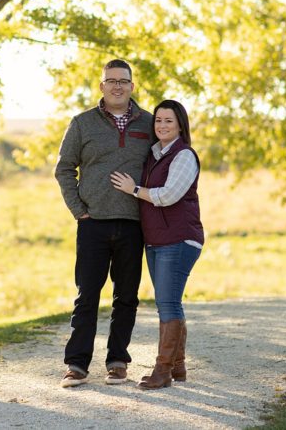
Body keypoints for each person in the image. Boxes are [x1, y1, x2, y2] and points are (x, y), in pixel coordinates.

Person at [55, 59, 154, 387]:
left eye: (123, 81)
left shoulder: (150, 124)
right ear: (101, 86)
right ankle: (77, 364)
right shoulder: (82, 123)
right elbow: (64, 168)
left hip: (133, 222)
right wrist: (78, 209)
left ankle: (117, 361)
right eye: (110, 81)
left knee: (126, 296)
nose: (117, 86)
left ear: (132, 86)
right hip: (93, 222)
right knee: (87, 295)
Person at [110, 99, 203, 389]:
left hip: (179, 239)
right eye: (158, 120)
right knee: (171, 301)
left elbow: (168, 195)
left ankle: (162, 371)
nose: (162, 125)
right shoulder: (155, 155)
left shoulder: (184, 155)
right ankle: (178, 367)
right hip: (157, 240)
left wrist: (134, 189)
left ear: (180, 126)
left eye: (169, 121)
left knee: (167, 303)